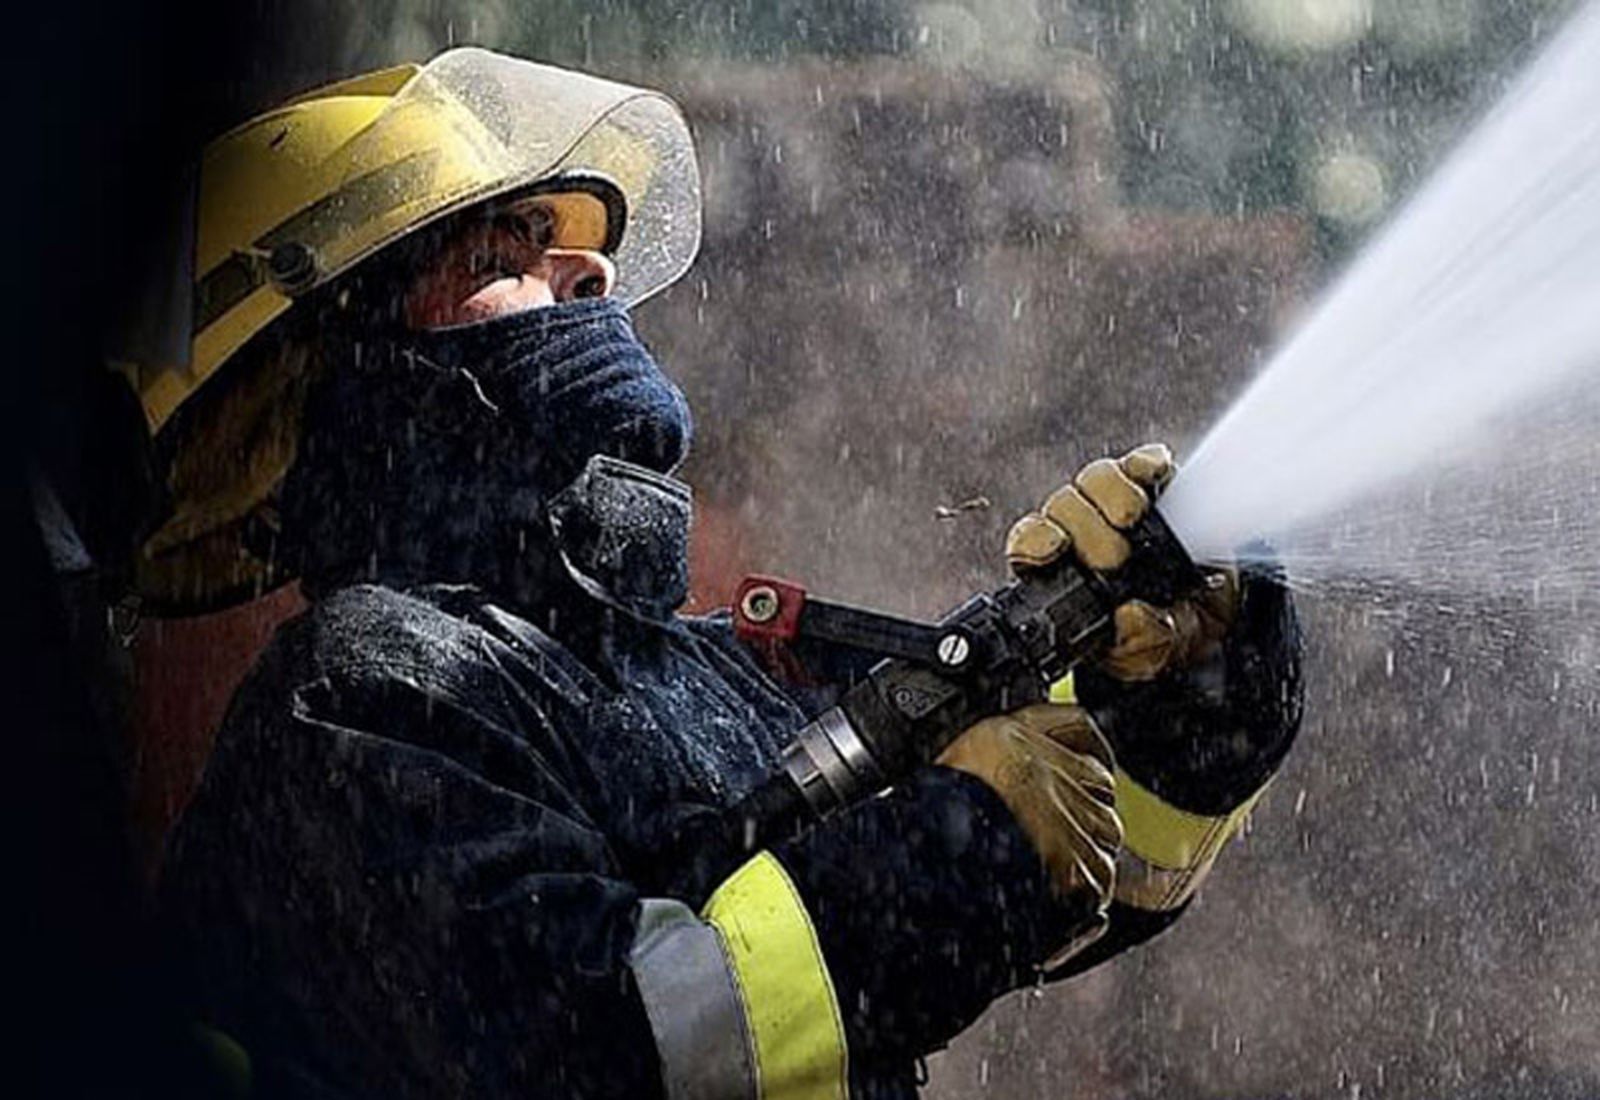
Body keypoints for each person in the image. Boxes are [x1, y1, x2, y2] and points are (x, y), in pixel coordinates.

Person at [150, 49, 1302, 1099]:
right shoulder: (355, 699)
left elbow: (1082, 868)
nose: (590, 267)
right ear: (358, 377)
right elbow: (593, 1048)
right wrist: (956, 856)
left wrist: (1186, 690)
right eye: (502, 256)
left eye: (580, 246)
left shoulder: (679, 674)